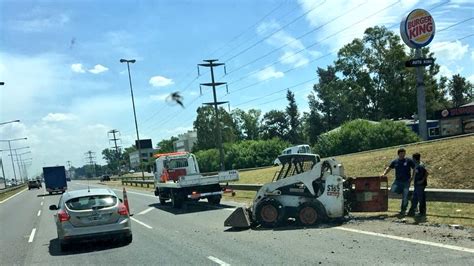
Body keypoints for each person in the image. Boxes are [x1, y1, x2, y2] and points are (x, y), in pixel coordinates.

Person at [381, 148, 416, 216]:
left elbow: (414, 168)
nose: (403, 155)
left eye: (404, 153)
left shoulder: (408, 160)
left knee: (405, 197)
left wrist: (412, 177)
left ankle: (403, 210)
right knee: (392, 190)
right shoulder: (395, 161)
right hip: (397, 181)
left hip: (406, 181)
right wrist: (384, 174)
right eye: (402, 153)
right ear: (399, 154)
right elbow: (389, 168)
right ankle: (404, 192)